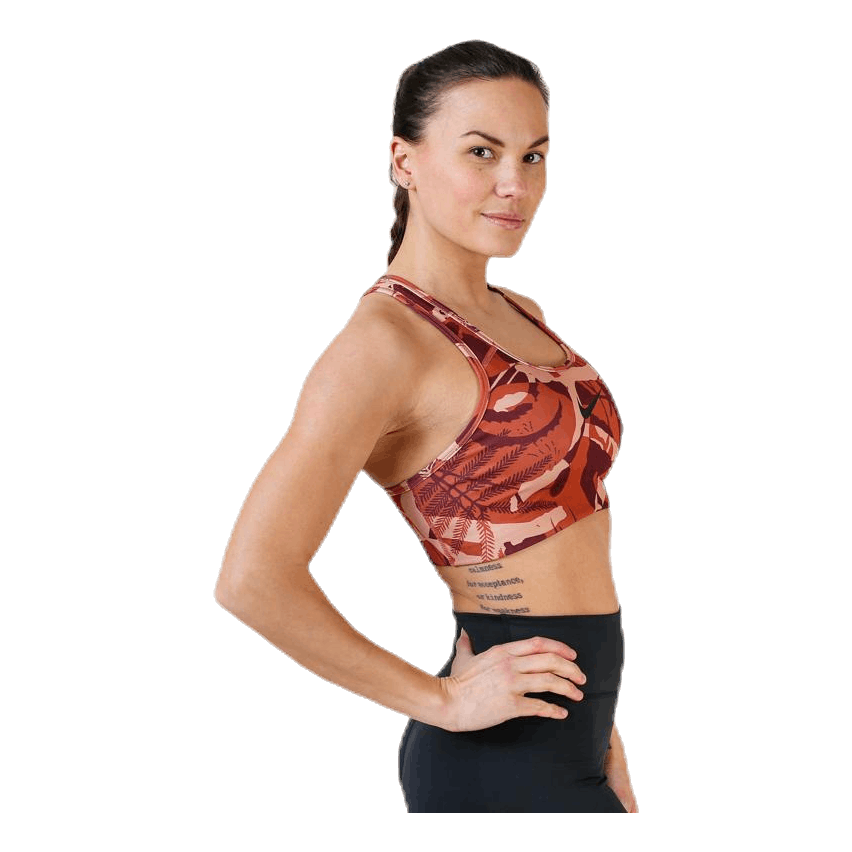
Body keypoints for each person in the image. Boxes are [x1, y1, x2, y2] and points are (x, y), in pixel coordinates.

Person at [214, 39, 637, 813]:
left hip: (568, 733)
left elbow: (572, 547)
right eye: (482, 152)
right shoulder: (383, 344)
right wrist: (441, 700)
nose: (515, 184)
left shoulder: (521, 312)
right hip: (497, 761)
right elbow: (252, 580)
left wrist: (602, 732)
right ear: (403, 160)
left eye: (534, 156)